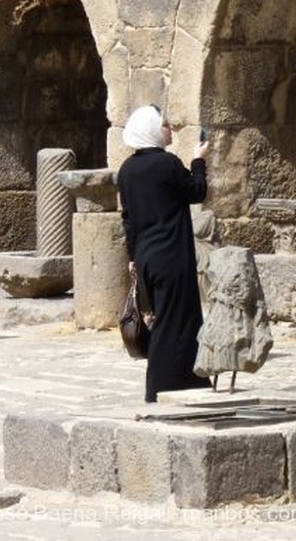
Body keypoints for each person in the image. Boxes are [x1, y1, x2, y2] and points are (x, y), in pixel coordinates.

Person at [118, 105, 212, 402]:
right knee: (175, 322)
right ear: (151, 129)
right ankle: (158, 388)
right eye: (165, 125)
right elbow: (196, 191)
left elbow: (128, 219)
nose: (170, 129)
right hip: (171, 256)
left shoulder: (126, 170)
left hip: (147, 257)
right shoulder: (168, 164)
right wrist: (199, 160)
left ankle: (190, 382)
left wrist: (133, 257)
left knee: (172, 321)